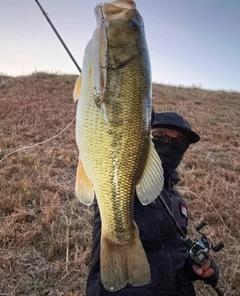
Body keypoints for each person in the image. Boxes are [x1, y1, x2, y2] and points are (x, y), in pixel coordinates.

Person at [86, 111, 219, 296]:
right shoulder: (120, 182)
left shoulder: (176, 199)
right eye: (159, 136)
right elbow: (107, 130)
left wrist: (195, 266)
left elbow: (174, 249)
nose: (170, 146)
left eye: (180, 143)